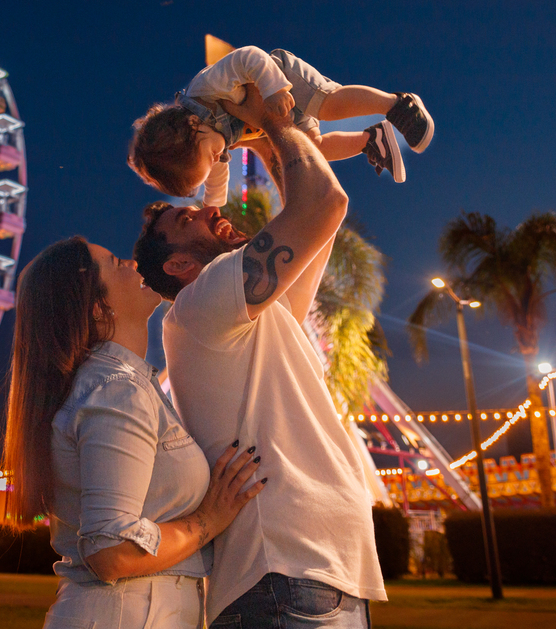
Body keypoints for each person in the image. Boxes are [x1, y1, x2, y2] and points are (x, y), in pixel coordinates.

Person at [134, 85, 386, 627]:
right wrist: (272, 119)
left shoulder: (250, 314)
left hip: (313, 571)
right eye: (187, 221)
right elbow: (324, 204)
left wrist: (262, 137)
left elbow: (316, 210)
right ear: (178, 266)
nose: (209, 210)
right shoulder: (202, 305)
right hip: (285, 572)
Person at [4, 236, 264, 628]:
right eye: (115, 262)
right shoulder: (115, 391)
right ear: (98, 307)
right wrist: (209, 520)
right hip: (131, 612)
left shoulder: (116, 386)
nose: (132, 263)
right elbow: (111, 550)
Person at [128, 46, 434, 200]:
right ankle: (371, 140)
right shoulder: (208, 141)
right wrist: (213, 206)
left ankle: (398, 105)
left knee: (328, 104)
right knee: (314, 149)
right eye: (211, 163)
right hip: (275, 115)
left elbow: (247, 57)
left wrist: (273, 89)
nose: (219, 158)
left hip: (281, 80)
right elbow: (216, 177)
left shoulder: (205, 88)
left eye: (211, 156)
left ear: (192, 125)